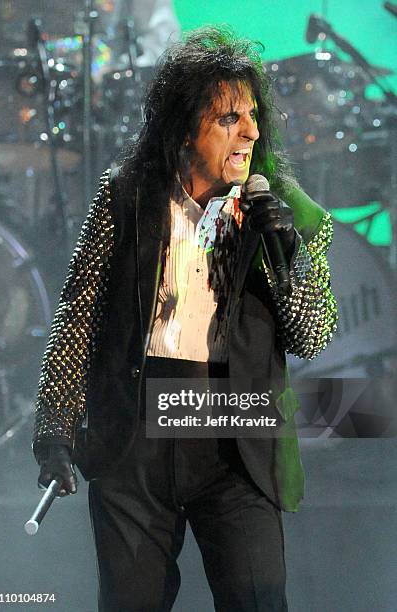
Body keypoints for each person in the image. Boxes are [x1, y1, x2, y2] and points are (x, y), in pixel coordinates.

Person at [33, 26, 338, 612]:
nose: (249, 132)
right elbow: (78, 314)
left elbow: (313, 333)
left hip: (235, 435)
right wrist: (55, 428)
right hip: (134, 438)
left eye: (252, 117)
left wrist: (286, 255)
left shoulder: (287, 210)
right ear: (183, 125)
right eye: (228, 118)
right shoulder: (127, 195)